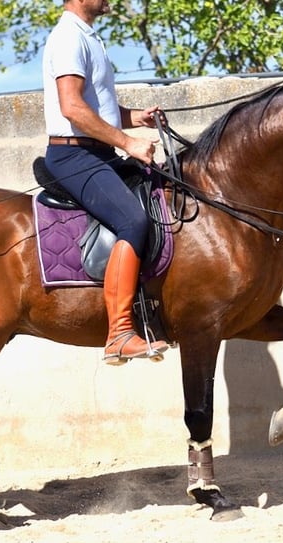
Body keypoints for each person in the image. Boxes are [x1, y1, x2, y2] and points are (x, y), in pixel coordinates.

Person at [43, 0, 169, 365]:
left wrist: (135, 118)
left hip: (98, 152)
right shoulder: (68, 37)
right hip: (75, 156)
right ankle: (119, 334)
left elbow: (97, 109)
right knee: (133, 220)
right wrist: (128, 143)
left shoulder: (88, 37)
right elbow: (72, 108)